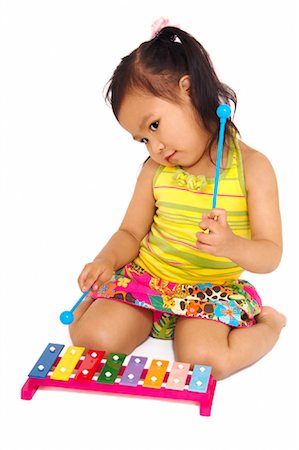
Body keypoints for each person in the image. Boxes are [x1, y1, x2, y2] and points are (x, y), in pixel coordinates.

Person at [69, 24, 286, 380]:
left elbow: (270, 253)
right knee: (92, 338)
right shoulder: (155, 170)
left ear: (188, 90)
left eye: (153, 125)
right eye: (141, 139)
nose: (154, 147)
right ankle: (112, 312)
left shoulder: (252, 168)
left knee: (205, 362)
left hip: (210, 294)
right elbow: (130, 231)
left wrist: (232, 245)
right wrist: (106, 259)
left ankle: (271, 324)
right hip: (150, 279)